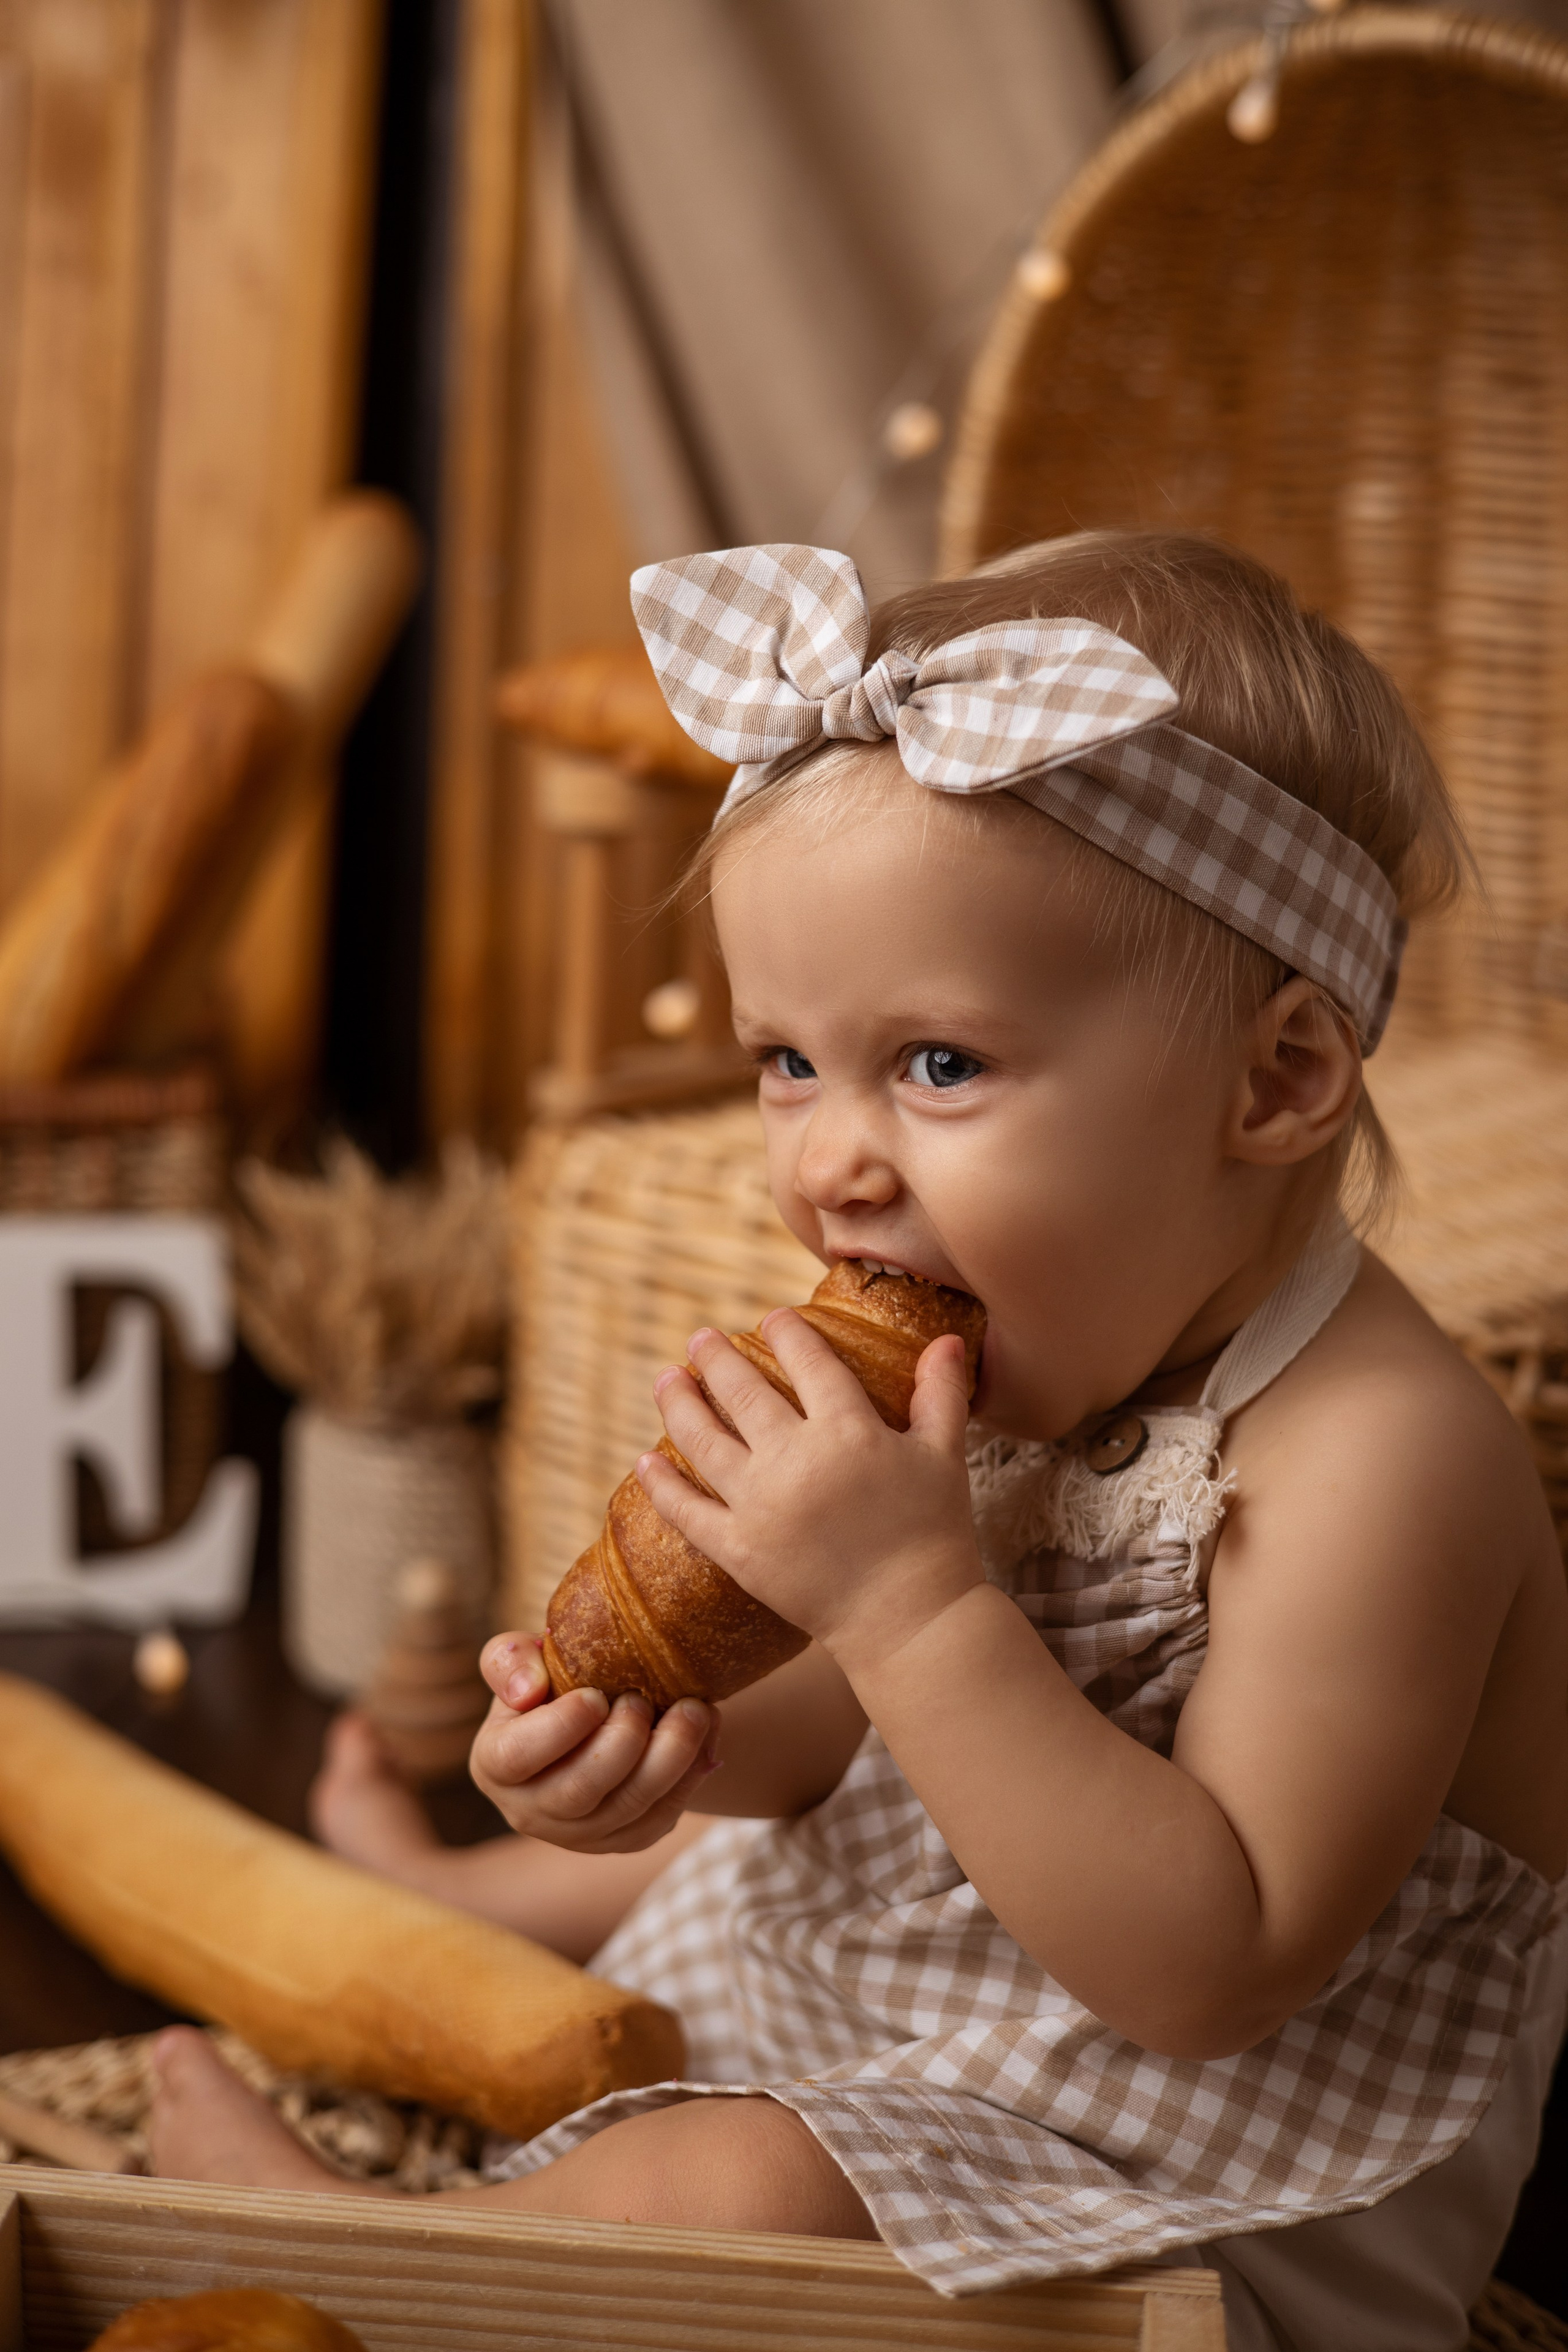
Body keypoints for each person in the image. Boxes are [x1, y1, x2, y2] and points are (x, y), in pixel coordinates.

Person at [152, 534, 1568, 2352]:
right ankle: (491, 1912)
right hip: (960, 2055)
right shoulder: (1054, 1337)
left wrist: (907, 1602)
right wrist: (678, 1740)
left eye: (941, 1065)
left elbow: (1210, 1967)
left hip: (1202, 2221)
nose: (830, 1160)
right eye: (788, 1062)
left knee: (738, 2198)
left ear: (1278, 1082)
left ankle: (362, 2269)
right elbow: (864, 1754)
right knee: (748, 1910)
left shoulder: (1385, 1465)